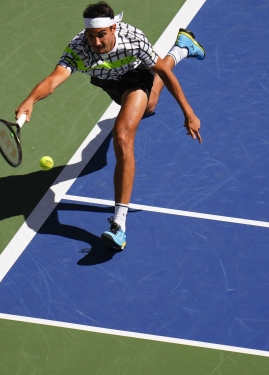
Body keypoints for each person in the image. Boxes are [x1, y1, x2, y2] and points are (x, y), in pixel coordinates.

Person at [15, 1, 204, 250]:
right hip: (112, 83)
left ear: (114, 28)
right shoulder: (78, 48)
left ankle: (119, 224)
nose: (96, 43)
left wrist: (188, 111)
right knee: (150, 106)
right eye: (91, 36)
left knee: (123, 136)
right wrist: (31, 100)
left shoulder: (133, 39)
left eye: (101, 35)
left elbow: (162, 72)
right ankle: (182, 48)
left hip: (136, 77)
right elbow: (54, 79)